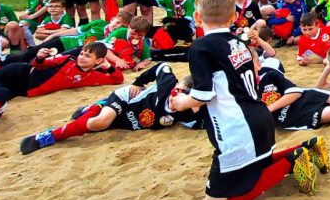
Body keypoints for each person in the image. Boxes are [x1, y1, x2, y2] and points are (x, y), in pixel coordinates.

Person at [166, 0, 326, 200]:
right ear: (233, 17)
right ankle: (304, 149)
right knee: (256, 168)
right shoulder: (238, 43)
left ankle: (292, 161)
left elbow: (204, 95)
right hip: (260, 117)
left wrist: (182, 102)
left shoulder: (201, 47)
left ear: (197, 17)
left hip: (237, 129)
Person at [19, 61, 202, 155]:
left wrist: (198, 111)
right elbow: (162, 66)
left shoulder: (188, 114)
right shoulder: (167, 85)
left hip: (129, 122)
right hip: (126, 99)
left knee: (93, 125)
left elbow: (204, 124)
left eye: (184, 96)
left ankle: (95, 107)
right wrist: (138, 82)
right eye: (177, 90)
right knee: (101, 122)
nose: (176, 96)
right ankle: (49, 136)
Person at [0, 42, 123, 99]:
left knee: (0, 98)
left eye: (87, 56)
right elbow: (39, 64)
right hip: (19, 74)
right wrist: (40, 57)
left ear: (98, 60)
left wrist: (107, 65)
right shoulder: (67, 59)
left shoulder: (93, 76)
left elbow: (118, 79)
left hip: (25, 90)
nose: (81, 58)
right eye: (81, 54)